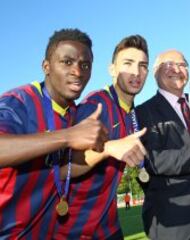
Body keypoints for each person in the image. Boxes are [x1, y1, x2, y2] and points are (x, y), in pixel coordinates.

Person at [0, 29, 109, 239]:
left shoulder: (73, 113)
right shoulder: (18, 101)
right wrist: (68, 136)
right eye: (67, 62)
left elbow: (61, 171)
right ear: (46, 67)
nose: (77, 71)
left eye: (85, 65)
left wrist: (106, 150)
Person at [54, 35, 148, 239]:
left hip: (110, 226)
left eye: (142, 65)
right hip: (73, 228)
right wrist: (108, 148)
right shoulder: (95, 106)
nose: (136, 72)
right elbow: (61, 170)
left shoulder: (132, 114)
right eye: (128, 63)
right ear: (112, 69)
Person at [135, 50, 190, 240]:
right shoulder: (143, 112)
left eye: (182, 65)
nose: (177, 69)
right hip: (174, 220)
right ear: (155, 72)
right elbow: (151, 160)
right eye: (169, 64)